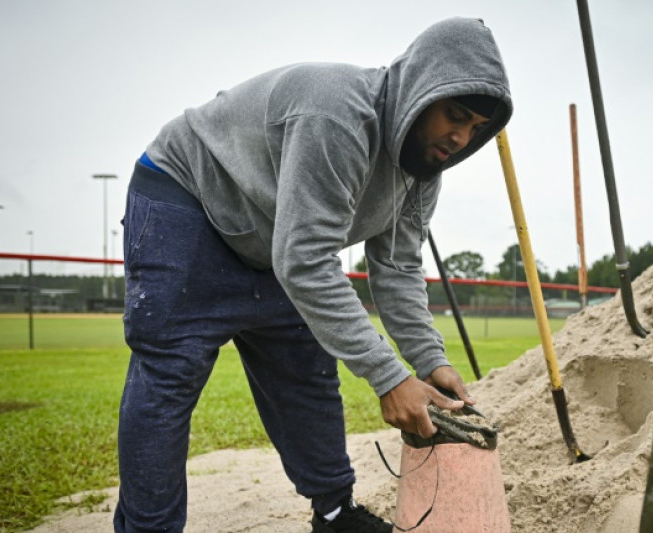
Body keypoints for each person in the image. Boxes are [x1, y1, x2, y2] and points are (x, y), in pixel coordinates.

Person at [114, 16, 512, 533]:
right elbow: (304, 260)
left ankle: (333, 514)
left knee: (307, 372)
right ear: (419, 90)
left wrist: (428, 361)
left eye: (475, 128)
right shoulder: (338, 115)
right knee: (170, 374)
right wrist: (390, 378)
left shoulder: (423, 167)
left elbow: (396, 266)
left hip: (274, 237)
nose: (460, 137)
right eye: (454, 115)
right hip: (189, 200)